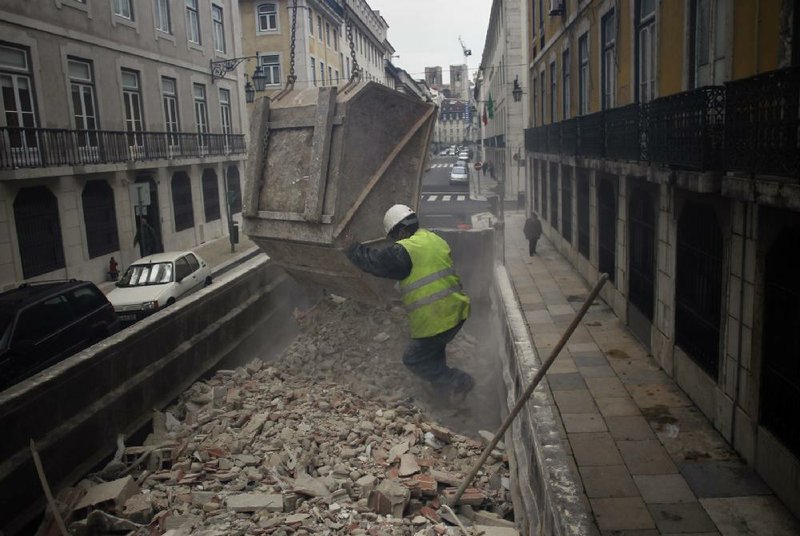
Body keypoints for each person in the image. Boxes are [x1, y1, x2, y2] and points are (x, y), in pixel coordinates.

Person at [346, 204, 475, 401]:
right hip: (456, 310)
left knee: (413, 359)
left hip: (436, 318)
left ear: (403, 230)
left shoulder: (405, 250)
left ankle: (459, 381)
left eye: (394, 236)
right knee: (433, 355)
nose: (394, 241)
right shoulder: (433, 239)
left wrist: (352, 249)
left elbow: (375, 262)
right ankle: (443, 395)